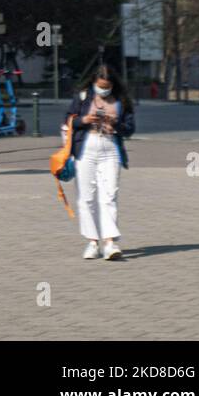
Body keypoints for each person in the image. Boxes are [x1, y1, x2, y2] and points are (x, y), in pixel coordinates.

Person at [64, 64, 136, 260]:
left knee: (109, 195)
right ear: (94, 82)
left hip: (110, 148)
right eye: (100, 86)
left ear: (113, 85)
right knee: (86, 198)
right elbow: (69, 120)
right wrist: (84, 120)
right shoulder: (83, 96)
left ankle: (110, 243)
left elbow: (130, 128)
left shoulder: (121, 101)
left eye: (107, 86)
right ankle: (92, 242)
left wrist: (115, 123)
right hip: (86, 148)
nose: (103, 90)